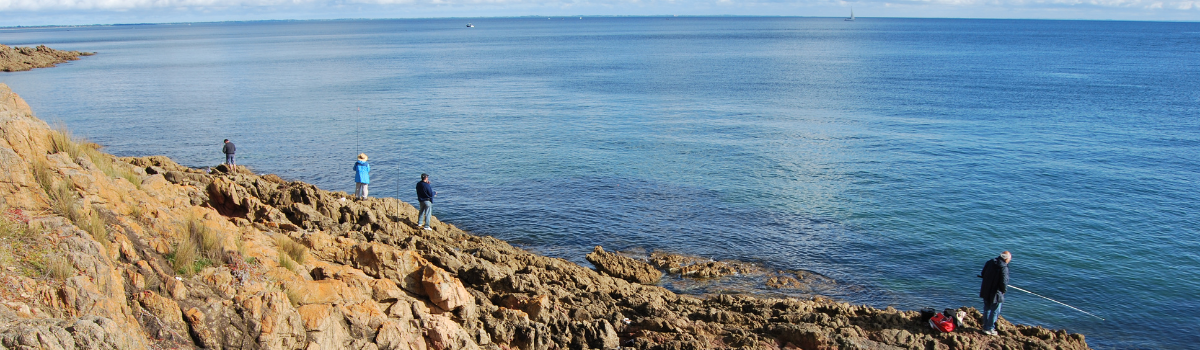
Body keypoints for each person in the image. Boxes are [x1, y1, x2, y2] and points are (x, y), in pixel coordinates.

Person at [979, 251, 1011, 336]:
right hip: (996, 293)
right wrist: (1004, 291)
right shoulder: (1003, 267)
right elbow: (1003, 282)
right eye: (1009, 259)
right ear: (1006, 258)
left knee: (986, 309)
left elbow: (983, 273)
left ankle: (985, 326)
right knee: (995, 311)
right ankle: (989, 328)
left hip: (986, 290)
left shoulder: (990, 262)